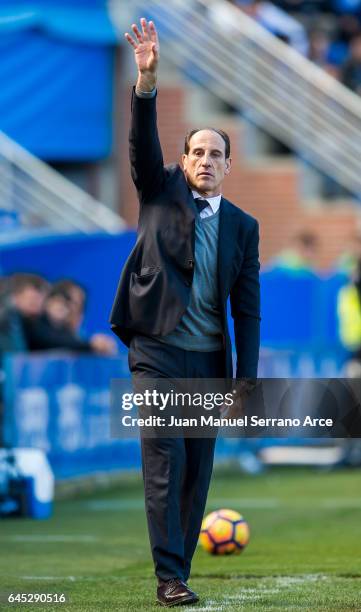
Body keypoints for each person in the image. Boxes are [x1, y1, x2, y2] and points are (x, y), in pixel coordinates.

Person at [110, 18, 260, 608]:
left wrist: (245, 376)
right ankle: (167, 577)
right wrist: (147, 81)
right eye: (195, 151)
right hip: (155, 351)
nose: (204, 160)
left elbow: (247, 308)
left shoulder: (244, 227)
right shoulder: (159, 189)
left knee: (197, 470)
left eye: (214, 153)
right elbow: (141, 145)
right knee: (165, 457)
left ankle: (181, 571)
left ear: (227, 164)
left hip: (207, 359)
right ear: (184, 159)